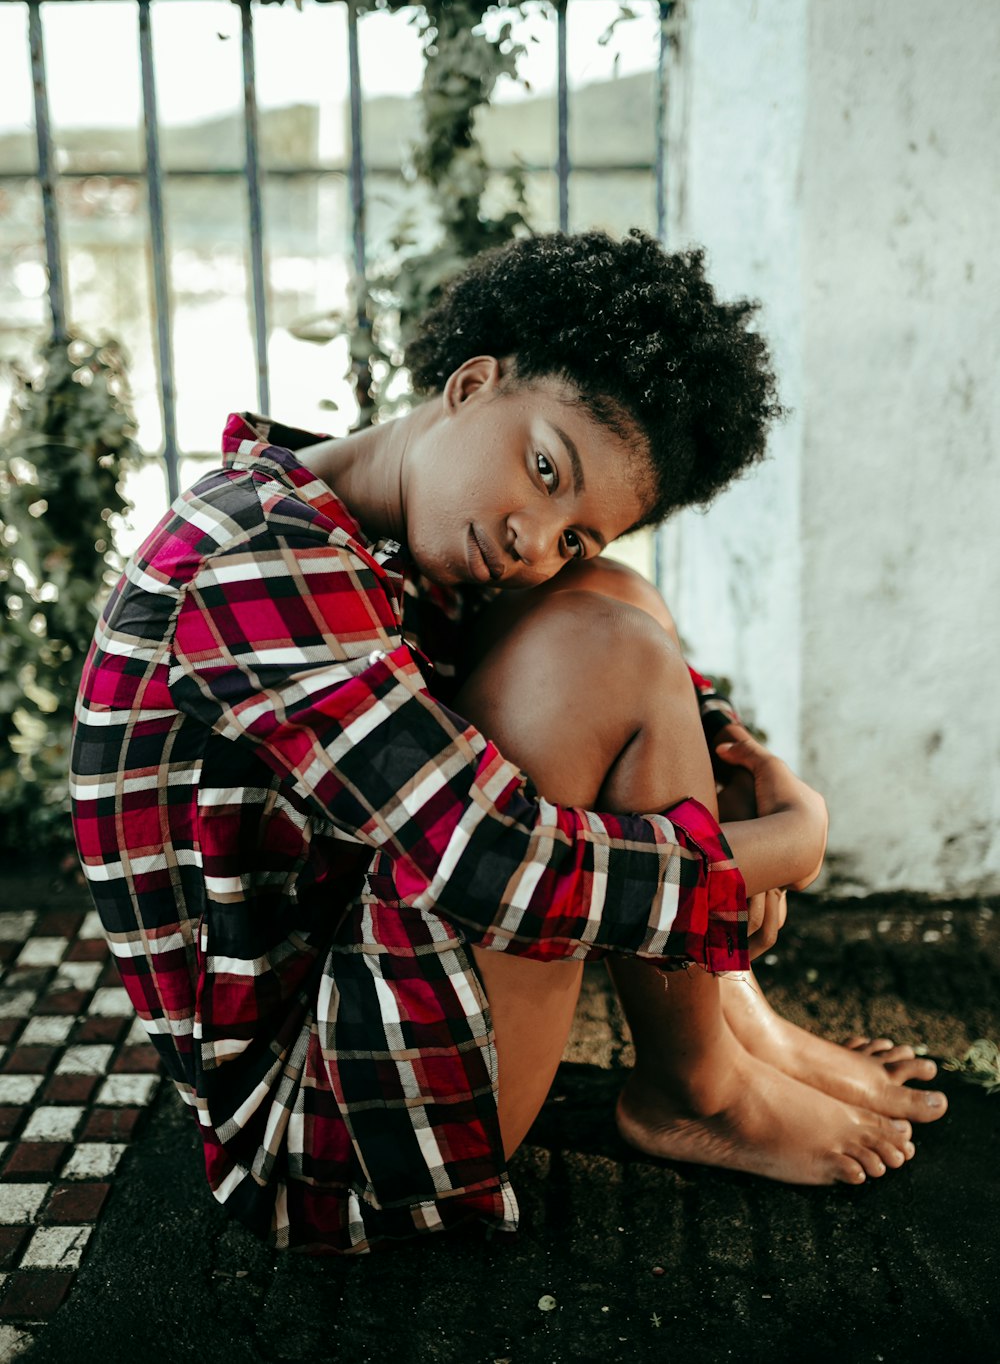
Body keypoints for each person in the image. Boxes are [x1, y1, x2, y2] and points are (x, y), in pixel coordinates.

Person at [69, 230, 945, 1255]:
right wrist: (777, 846)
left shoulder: (356, 516)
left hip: (365, 996)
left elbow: (637, 659)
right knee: (599, 641)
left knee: (607, 599)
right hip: (326, 1142)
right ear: (471, 382)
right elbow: (492, 863)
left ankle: (727, 1033)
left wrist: (748, 763)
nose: (535, 538)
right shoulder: (257, 570)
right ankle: (696, 1085)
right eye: (543, 468)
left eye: (576, 523)